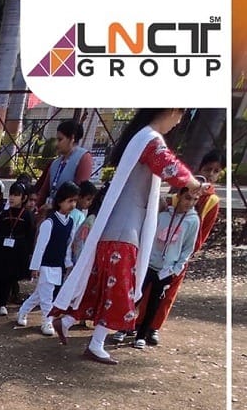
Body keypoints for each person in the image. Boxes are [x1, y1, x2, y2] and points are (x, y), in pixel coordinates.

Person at [51, 108, 201, 364]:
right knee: (122, 290)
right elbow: (168, 166)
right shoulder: (150, 139)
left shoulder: (141, 137)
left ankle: (68, 320)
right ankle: (94, 341)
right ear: (171, 110)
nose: (178, 123)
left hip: (117, 227)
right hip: (125, 229)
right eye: (179, 116)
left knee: (101, 284)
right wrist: (194, 183)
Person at [143, 149, 223, 342]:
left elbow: (203, 231)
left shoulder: (212, 201)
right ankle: (138, 322)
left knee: (167, 291)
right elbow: (165, 207)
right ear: (200, 168)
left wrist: (187, 255)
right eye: (208, 168)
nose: (211, 174)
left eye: (216, 171)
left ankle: (154, 327)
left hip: (180, 252)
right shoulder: (184, 188)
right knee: (147, 288)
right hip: (161, 248)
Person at [129, 187, 201, 348]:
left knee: (155, 302)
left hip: (166, 270)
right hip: (149, 264)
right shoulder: (163, 215)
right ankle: (124, 327)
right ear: (179, 196)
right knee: (135, 296)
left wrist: (176, 268)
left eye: (194, 200)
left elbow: (188, 248)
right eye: (187, 198)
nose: (190, 203)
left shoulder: (193, 221)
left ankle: (141, 335)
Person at [17, 181, 80, 333]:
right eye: (69, 201)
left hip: (57, 266)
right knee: (47, 297)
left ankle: (23, 311)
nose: (72, 204)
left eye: (75, 201)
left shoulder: (70, 223)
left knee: (40, 295)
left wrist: (67, 262)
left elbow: (67, 245)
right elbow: (40, 247)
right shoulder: (49, 222)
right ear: (60, 201)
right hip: (45, 265)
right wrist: (35, 267)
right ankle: (47, 322)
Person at [0, 181, 36, 317]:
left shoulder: (27, 215)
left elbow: (30, 235)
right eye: (11, 194)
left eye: (16, 195)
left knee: (10, 278)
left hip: (17, 251)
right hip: (2, 250)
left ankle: (3, 303)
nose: (12, 198)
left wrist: (28, 253)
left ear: (23, 198)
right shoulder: (4, 213)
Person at [33, 118, 97, 213]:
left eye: (60, 139)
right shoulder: (55, 163)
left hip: (69, 216)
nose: (57, 144)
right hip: (50, 213)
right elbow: (44, 190)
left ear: (72, 138)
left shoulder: (83, 158)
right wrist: (35, 208)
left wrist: (55, 206)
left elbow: (79, 193)